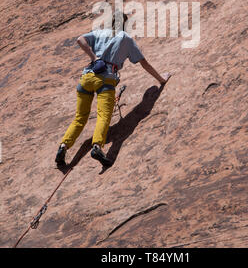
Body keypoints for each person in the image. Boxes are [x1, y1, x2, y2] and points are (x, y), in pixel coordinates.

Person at [55, 11, 171, 168]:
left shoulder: (99, 32)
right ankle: (97, 147)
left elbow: (79, 39)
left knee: (80, 117)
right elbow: (144, 63)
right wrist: (162, 79)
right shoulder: (125, 37)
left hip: (87, 77)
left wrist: (94, 58)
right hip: (106, 80)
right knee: (103, 116)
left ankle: (63, 147)